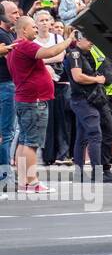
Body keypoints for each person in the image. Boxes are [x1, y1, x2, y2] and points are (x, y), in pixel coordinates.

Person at [7, 16, 75, 193]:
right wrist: (68, 40)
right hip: (34, 101)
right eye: (33, 27)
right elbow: (50, 53)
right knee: (31, 143)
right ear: (23, 30)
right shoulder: (25, 45)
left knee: (24, 141)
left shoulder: (14, 47)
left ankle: (24, 183)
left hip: (25, 99)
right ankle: (32, 182)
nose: (37, 30)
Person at [65, 32, 112, 183]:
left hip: (88, 100)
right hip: (83, 100)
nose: (92, 42)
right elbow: (78, 76)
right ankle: (98, 173)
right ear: (79, 39)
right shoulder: (75, 54)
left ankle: (79, 173)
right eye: (89, 39)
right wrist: (97, 79)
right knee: (95, 135)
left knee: (82, 137)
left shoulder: (85, 54)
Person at [34, 10, 72, 167]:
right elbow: (34, 60)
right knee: (46, 120)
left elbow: (61, 56)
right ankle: (48, 155)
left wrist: (42, 59)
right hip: (42, 83)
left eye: (46, 20)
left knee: (62, 118)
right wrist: (46, 60)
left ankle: (63, 154)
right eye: (41, 20)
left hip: (60, 83)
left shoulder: (57, 37)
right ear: (35, 23)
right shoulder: (34, 41)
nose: (44, 22)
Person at [0, 0, 19, 190]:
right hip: (5, 86)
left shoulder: (9, 34)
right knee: (6, 134)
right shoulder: (2, 34)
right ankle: (4, 178)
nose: (17, 15)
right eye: (13, 12)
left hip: (7, 86)